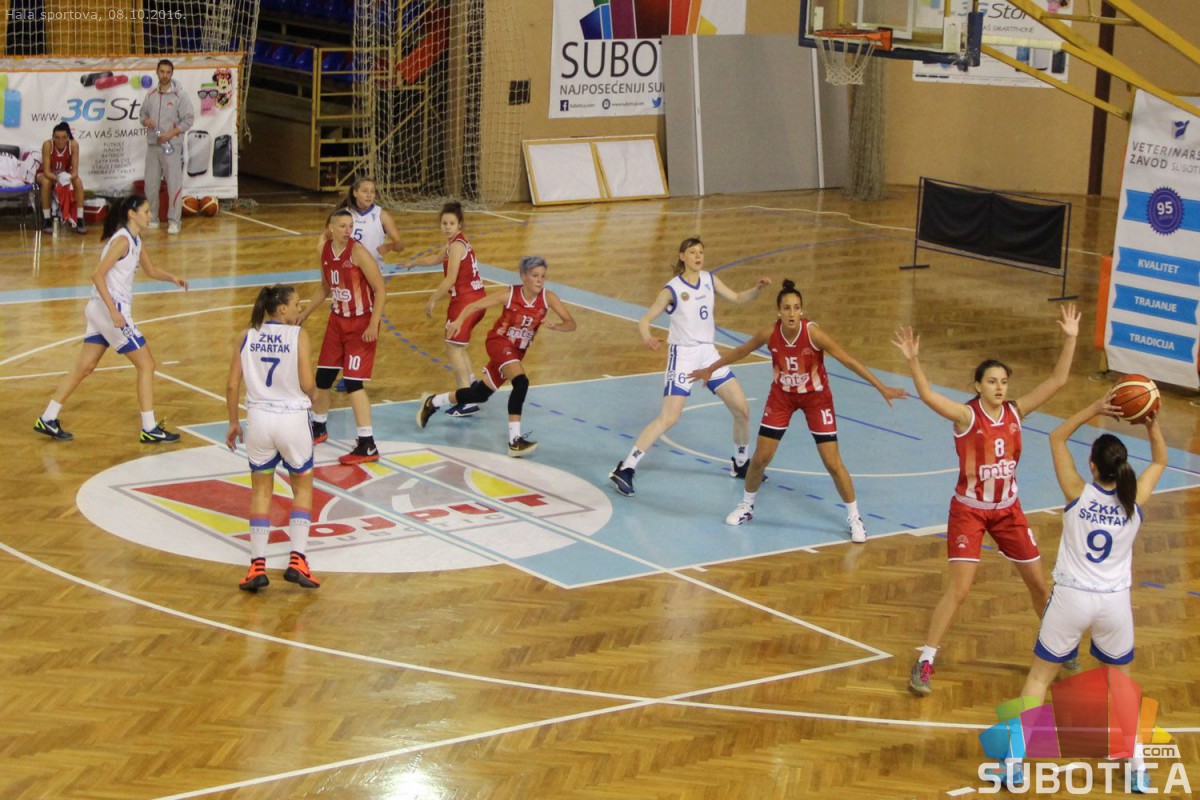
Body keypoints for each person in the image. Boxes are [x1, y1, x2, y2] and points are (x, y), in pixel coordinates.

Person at [893, 304, 1081, 697]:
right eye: (992, 381)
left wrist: (1071, 338)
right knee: (960, 589)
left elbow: (1059, 379)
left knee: (1038, 585)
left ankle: (1058, 645)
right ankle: (925, 659)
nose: (999, 387)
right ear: (978, 385)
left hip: (1009, 511)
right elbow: (927, 395)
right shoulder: (966, 416)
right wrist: (913, 361)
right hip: (970, 512)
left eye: (1004, 382)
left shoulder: (1016, 412)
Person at [995, 394, 1166, 792]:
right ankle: (1137, 767)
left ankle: (1014, 763)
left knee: (1039, 678)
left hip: (1071, 598)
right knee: (1121, 685)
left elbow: (1056, 437)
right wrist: (1151, 423)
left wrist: (1094, 408)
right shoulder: (1134, 500)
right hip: (1114, 603)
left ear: (1092, 466)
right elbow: (1160, 460)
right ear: (1122, 467)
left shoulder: (1077, 491)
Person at [689, 279, 907, 541]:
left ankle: (854, 517)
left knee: (832, 463)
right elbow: (740, 351)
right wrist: (710, 369)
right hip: (782, 397)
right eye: (786, 308)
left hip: (816, 398)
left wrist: (881, 387)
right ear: (778, 312)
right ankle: (746, 506)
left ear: (801, 311)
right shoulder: (770, 334)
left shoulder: (813, 334)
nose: (792, 313)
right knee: (760, 458)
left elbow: (848, 360)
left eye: (796, 308)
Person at [608, 237, 771, 497]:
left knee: (742, 410)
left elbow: (738, 297)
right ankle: (625, 468)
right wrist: (647, 337)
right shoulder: (672, 289)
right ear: (682, 256)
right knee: (669, 417)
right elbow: (645, 319)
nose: (698, 256)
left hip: (708, 354)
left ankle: (741, 464)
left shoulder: (709, 279)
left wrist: (757, 289)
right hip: (683, 355)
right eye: (692, 252)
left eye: (701, 252)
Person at [32, 194, 188, 442]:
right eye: (146, 211)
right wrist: (114, 312)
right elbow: (97, 275)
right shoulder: (122, 241)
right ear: (132, 214)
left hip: (99, 310)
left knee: (85, 366)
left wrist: (173, 278)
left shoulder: (135, 240)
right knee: (146, 365)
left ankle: (48, 417)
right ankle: (149, 428)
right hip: (110, 310)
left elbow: (150, 270)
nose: (150, 215)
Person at [416, 255, 576, 457]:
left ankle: (433, 402)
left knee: (480, 394)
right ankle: (514, 441)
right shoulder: (510, 294)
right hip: (499, 343)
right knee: (521, 382)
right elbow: (474, 305)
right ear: (523, 276)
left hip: (516, 352)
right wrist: (458, 322)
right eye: (535, 275)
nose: (539, 280)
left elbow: (571, 323)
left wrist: (556, 326)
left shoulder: (548, 298)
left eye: (542, 276)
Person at [225, 285, 321, 592]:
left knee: (261, 492)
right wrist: (314, 395)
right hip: (292, 419)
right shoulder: (298, 336)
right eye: (296, 304)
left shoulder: (245, 335)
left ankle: (257, 566)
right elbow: (307, 382)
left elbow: (232, 385)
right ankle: (298, 561)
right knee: (302, 488)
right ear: (282, 309)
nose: (299, 309)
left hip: (259, 421)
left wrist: (233, 422)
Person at [298, 209, 387, 465]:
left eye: (350, 226)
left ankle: (367, 443)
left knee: (353, 383)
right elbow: (326, 286)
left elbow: (380, 290)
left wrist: (373, 323)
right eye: (343, 226)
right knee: (323, 377)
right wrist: (304, 313)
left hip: (361, 323)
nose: (348, 230)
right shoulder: (324, 250)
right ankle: (319, 426)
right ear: (331, 228)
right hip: (337, 321)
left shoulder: (358, 252)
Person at [421, 201, 487, 417]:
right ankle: (472, 384)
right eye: (444, 223)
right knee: (458, 347)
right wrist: (412, 263)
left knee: (453, 348)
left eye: (451, 223)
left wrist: (432, 299)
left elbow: (450, 279)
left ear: (460, 225)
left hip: (465, 302)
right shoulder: (455, 243)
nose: (447, 227)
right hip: (477, 299)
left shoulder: (457, 246)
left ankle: (466, 399)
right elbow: (435, 258)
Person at [139, 58, 194, 235]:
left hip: (172, 147)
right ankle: (153, 218)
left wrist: (170, 133)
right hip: (153, 146)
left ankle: (174, 221)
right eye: (162, 72)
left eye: (168, 72)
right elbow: (142, 114)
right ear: (157, 72)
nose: (165, 75)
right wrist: (146, 121)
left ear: (172, 74)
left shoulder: (180, 95)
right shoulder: (151, 94)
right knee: (150, 185)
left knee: (173, 185)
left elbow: (189, 119)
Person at [36, 122, 86, 234]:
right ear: (53, 137)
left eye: (63, 138)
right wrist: (58, 179)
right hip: (47, 175)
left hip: (64, 175)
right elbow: (46, 171)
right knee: (46, 182)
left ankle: (80, 218)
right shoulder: (48, 145)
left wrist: (67, 179)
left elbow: (75, 172)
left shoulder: (73, 145)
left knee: (78, 181)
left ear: (68, 137)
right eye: (57, 138)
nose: (60, 141)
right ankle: (47, 219)